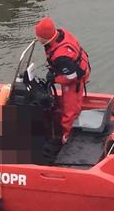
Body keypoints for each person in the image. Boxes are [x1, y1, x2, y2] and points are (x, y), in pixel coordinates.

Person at [34, 17, 90, 145]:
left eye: (38, 37)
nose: (37, 39)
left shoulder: (61, 56)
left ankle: (68, 138)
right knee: (72, 105)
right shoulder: (60, 34)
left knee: (69, 110)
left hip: (74, 80)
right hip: (75, 68)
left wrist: (54, 78)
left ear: (45, 37)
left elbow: (71, 77)